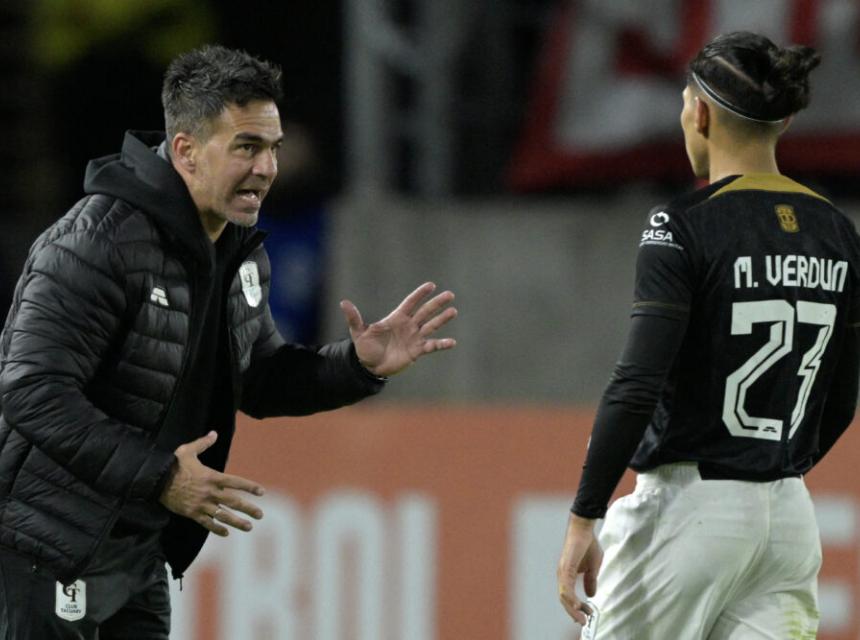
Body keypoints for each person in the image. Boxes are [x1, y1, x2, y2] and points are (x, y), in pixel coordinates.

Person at [0, 45, 457, 639]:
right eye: (246, 147)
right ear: (186, 151)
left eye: (273, 148)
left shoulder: (237, 251)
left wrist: (357, 366)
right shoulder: (95, 244)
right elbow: (31, 392)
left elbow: (259, 377)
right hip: (47, 549)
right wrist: (164, 477)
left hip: (137, 554)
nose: (267, 168)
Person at [557, 31, 860, 639]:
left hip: (687, 510)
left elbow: (637, 383)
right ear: (786, 119)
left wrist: (584, 515)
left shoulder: (682, 226)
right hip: (788, 520)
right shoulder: (837, 231)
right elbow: (842, 399)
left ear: (699, 112)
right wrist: (770, 473)